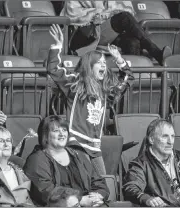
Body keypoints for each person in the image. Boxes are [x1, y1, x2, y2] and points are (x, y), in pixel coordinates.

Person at [47, 24, 134, 175]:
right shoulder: (74, 85)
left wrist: (119, 59)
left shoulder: (106, 91)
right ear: (89, 65)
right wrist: (57, 46)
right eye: (99, 62)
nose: (103, 66)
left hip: (94, 147)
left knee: (103, 186)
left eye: (105, 63)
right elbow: (53, 70)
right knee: (85, 185)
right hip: (76, 144)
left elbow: (128, 79)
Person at [123, 119, 180, 207]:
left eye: (172, 136)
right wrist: (146, 198)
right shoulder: (140, 164)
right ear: (151, 139)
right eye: (165, 136)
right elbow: (131, 187)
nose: (170, 142)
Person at [24, 115, 109, 207]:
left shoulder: (78, 155)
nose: (62, 134)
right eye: (56, 131)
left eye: (64, 130)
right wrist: (79, 200)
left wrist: (98, 196)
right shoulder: (36, 159)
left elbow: (98, 182)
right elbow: (45, 192)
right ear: (45, 136)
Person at [61, 1, 172, 65]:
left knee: (133, 42)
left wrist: (110, 14)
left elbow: (129, 12)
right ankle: (155, 52)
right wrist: (104, 14)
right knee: (124, 18)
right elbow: (72, 14)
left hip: (109, 35)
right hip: (85, 36)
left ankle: (129, 87)